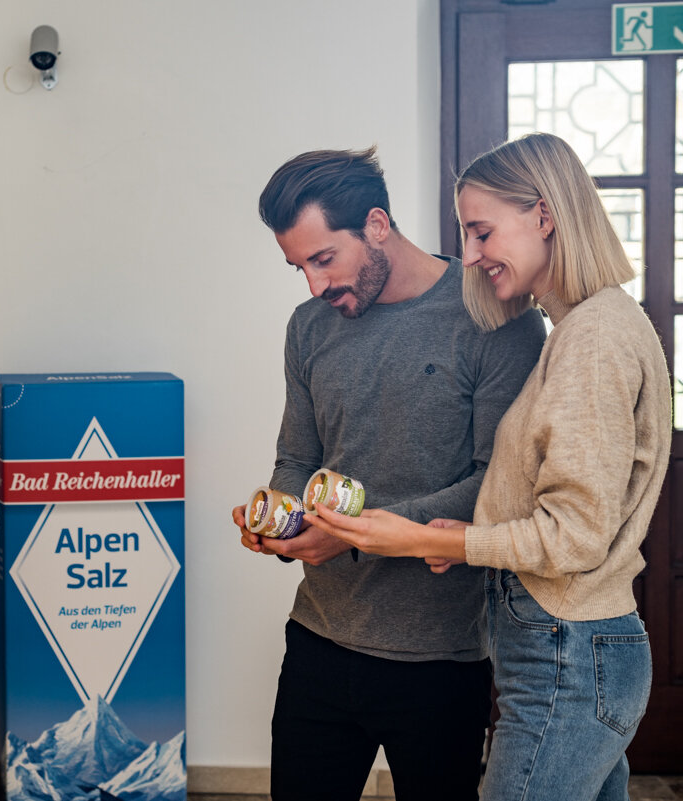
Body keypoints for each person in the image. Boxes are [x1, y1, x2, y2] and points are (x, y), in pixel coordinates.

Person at [310, 133, 671, 801]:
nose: (470, 255)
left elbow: (574, 536)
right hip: (574, 650)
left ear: (544, 215)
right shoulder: (592, 325)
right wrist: (470, 535)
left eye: (481, 231)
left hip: (568, 655)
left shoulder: (591, 338)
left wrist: (431, 538)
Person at [232, 148, 546, 801]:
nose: (315, 286)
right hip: (318, 639)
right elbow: (297, 458)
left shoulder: (497, 317)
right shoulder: (309, 326)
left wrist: (347, 534)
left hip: (440, 657)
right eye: (299, 267)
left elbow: (500, 484)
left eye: (324, 259)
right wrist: (278, 518)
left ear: (377, 224)